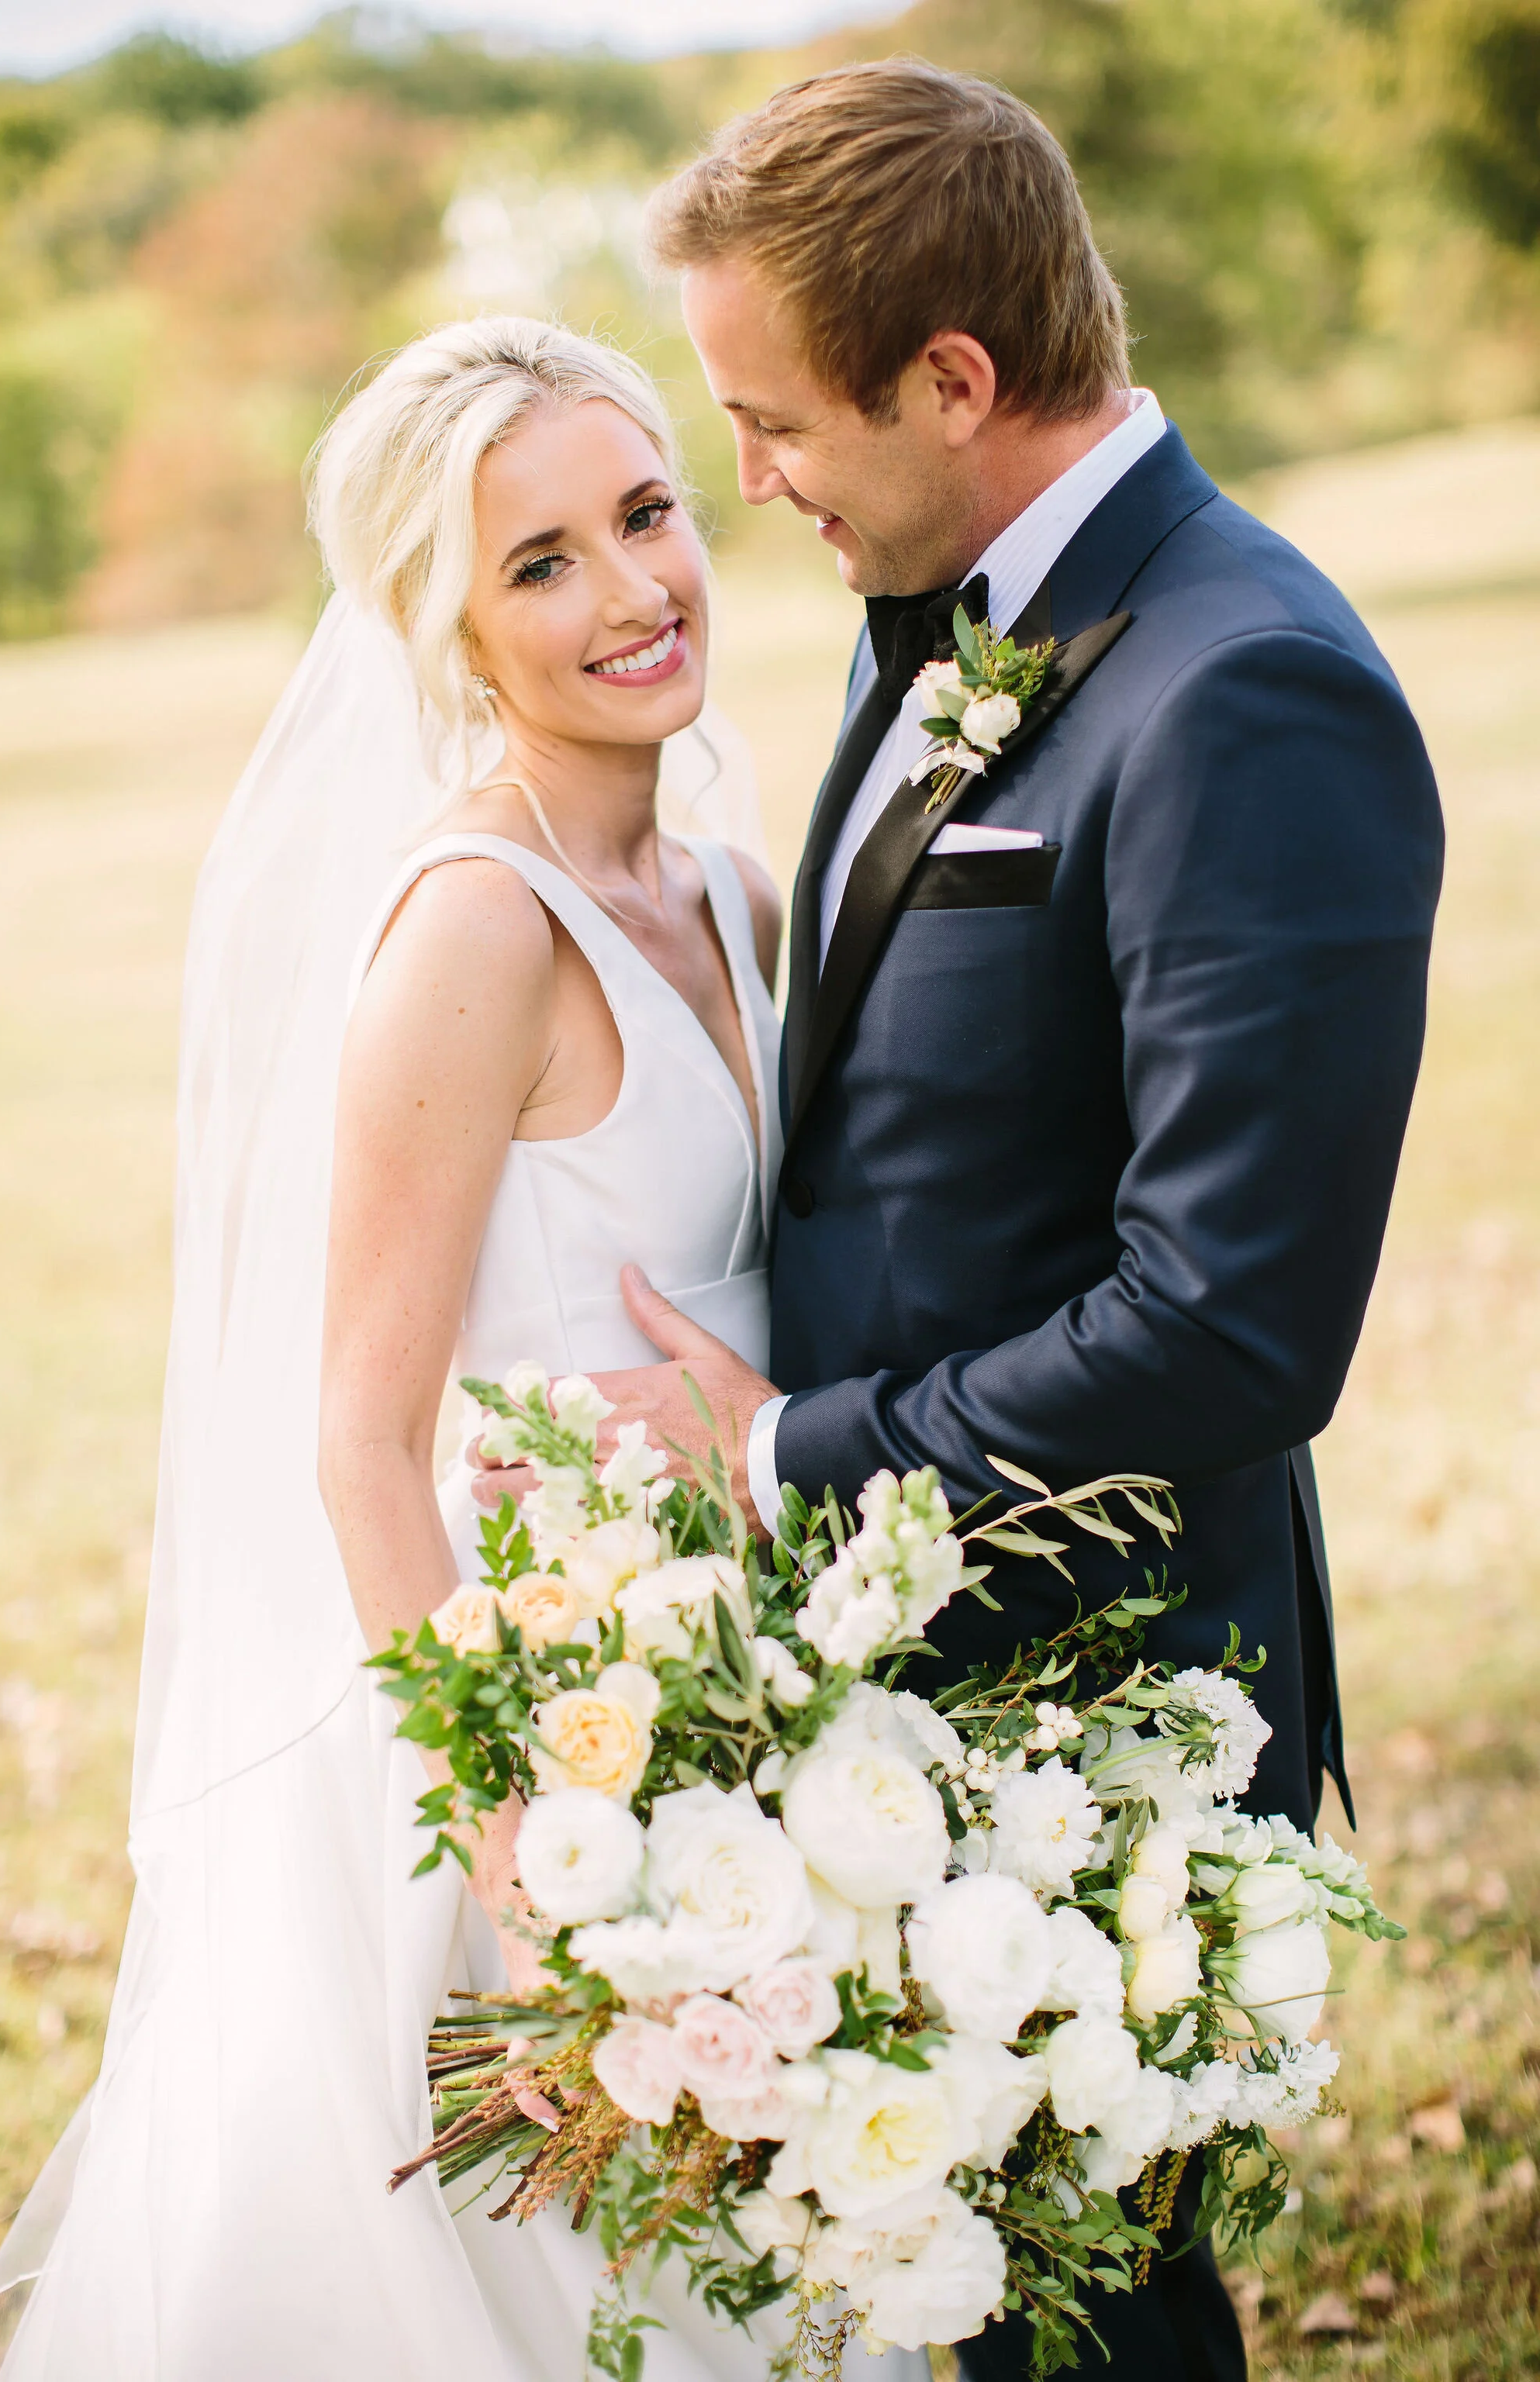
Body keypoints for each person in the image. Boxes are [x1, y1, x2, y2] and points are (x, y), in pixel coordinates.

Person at [533, 60, 1443, 2382]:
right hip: (908, 1660)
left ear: (955, 379)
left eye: (777, 423)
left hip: (1094, 1668)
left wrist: (783, 1457)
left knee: (1098, 2328)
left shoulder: (1250, 692)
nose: (747, 483)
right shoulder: (941, 600)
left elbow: (1234, 1326)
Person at [0, 317, 916, 2382]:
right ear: (453, 636)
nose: (634, 590)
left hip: (735, 1682)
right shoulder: (476, 931)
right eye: (540, 562)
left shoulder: (741, 899)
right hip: (528, 1733)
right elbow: (363, 1439)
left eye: (645, 513)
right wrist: (509, 1849)